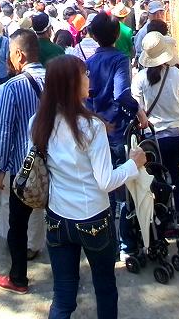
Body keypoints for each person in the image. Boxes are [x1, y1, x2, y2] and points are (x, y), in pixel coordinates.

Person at [31, 55, 146, 318]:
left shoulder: (38, 122)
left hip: (57, 218)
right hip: (93, 218)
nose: (88, 78)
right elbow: (105, 181)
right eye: (84, 74)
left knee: (63, 296)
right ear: (73, 83)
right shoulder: (92, 127)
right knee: (104, 288)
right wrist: (133, 164)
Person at [0, 29, 46, 294]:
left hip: (24, 166)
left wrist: (0, 168)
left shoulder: (10, 88)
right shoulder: (57, 79)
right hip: (59, 162)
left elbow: (3, 131)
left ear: (19, 55)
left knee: (18, 223)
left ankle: (18, 278)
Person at [86, 13, 139, 253]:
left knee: (104, 187)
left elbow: (86, 98)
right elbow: (121, 94)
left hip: (96, 131)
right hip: (118, 129)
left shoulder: (88, 63)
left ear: (93, 36)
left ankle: (109, 242)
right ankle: (126, 242)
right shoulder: (120, 59)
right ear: (117, 34)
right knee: (124, 189)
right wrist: (137, 110)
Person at [131, 32, 179, 225]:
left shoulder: (140, 78)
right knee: (174, 171)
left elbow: (137, 108)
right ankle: (177, 213)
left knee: (153, 175)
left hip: (152, 136)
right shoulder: (176, 73)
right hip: (175, 132)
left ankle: (158, 214)